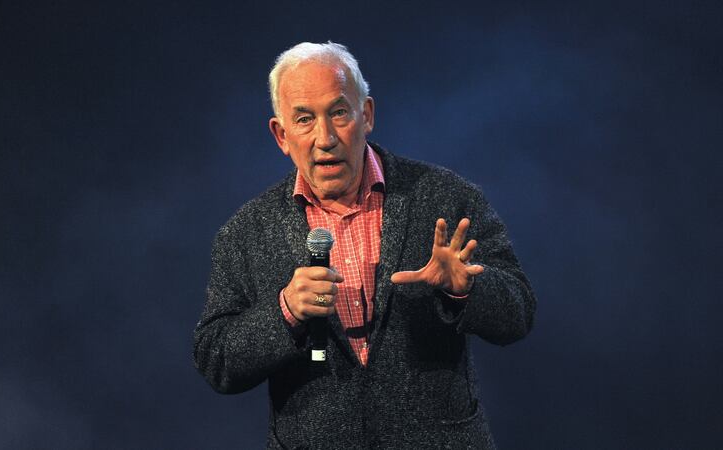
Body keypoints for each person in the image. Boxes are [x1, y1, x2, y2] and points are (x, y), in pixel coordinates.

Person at [193, 42, 536, 449]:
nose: (325, 137)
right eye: (304, 119)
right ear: (281, 135)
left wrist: (465, 289)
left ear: (366, 115)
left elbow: (519, 312)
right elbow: (217, 362)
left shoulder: (444, 197)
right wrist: (283, 312)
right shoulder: (245, 233)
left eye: (339, 112)